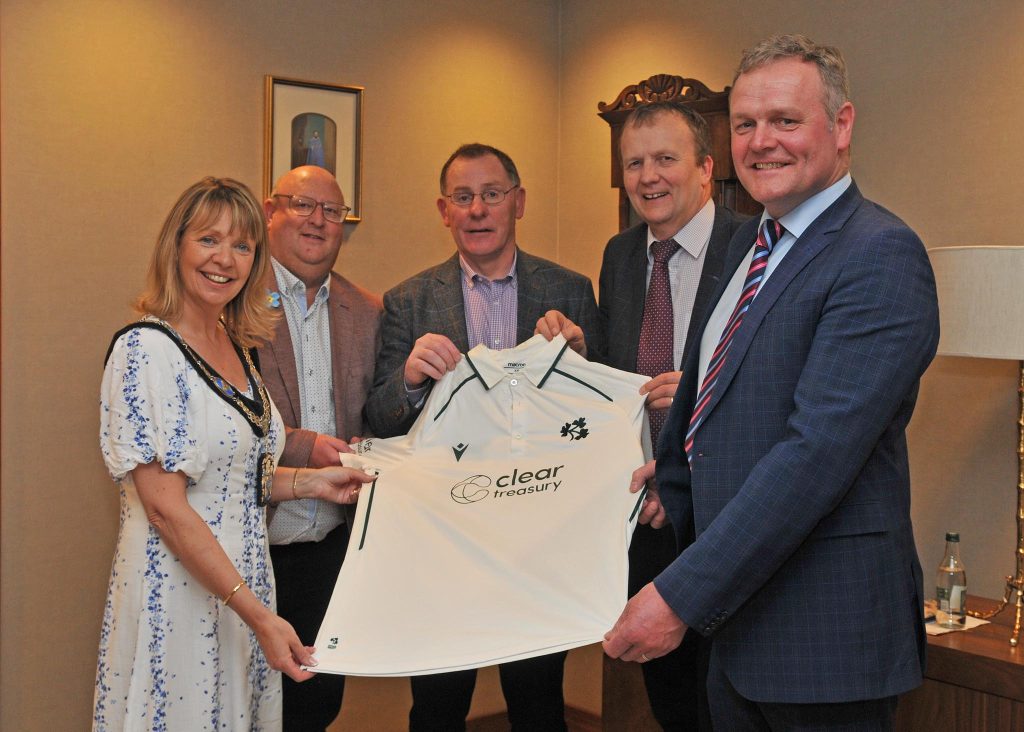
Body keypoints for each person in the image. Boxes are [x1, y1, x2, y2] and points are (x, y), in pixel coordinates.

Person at [603, 34, 940, 730]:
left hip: (822, 638)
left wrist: (677, 597)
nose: (762, 142)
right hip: (739, 632)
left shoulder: (879, 254)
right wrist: (675, 480)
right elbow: (725, 406)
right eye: (747, 124)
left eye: (785, 120)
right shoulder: (751, 248)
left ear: (841, 126)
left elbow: (813, 456)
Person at [94, 176, 374, 731]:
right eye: (208, 240)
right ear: (176, 245)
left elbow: (238, 476)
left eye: (242, 246)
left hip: (243, 592)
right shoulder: (146, 350)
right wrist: (259, 616)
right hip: (180, 598)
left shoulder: (236, 347)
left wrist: (312, 483)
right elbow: (166, 509)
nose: (225, 259)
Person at [364, 143, 600, 731]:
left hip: (538, 533)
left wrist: (579, 361)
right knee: (439, 706)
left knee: (539, 700)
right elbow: (381, 419)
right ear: (444, 211)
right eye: (463, 198)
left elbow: (602, 415)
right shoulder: (409, 301)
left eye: (492, 195)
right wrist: (411, 379)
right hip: (445, 539)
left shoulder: (570, 291)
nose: (478, 210)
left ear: (518, 202)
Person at [598, 101, 747, 731]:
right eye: (635, 163)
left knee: (733, 701)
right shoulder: (621, 254)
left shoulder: (755, 245)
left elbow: (776, 381)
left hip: (730, 516)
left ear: (706, 168)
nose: (648, 176)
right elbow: (619, 377)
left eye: (665, 159)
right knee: (673, 705)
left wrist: (703, 389)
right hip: (650, 521)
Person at [258, 165, 382, 731]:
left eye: (332, 211)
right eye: (302, 205)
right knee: (246, 705)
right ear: (269, 211)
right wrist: (308, 447)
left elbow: (382, 417)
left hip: (333, 549)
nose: (317, 221)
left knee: (315, 706)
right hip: (251, 550)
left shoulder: (370, 311)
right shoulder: (231, 301)